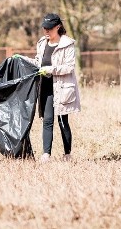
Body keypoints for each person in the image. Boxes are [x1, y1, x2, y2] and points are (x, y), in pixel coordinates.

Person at [19, 13, 81, 162]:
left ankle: (67, 154)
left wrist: (50, 69)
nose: (46, 31)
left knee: (62, 120)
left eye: (49, 28)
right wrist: (22, 58)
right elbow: (38, 62)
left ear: (58, 27)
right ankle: (46, 154)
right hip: (45, 86)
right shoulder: (42, 43)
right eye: (44, 28)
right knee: (47, 120)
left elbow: (69, 67)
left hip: (62, 87)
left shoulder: (67, 44)